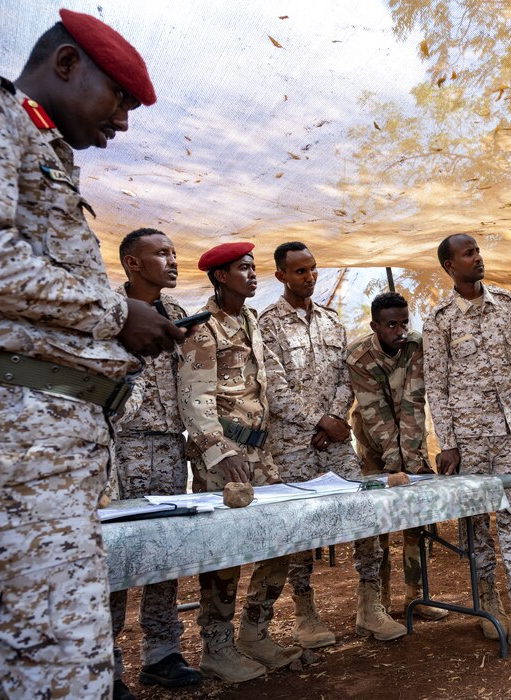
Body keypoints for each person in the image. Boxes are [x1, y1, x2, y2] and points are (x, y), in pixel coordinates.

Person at [0, 10, 184, 698]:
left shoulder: (41, 144)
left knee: (40, 661)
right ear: (68, 65)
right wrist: (114, 313)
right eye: (121, 99)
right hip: (23, 451)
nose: (124, 122)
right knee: (60, 667)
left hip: (52, 450)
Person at [259, 241, 405, 646]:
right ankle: (306, 615)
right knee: (299, 528)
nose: (309, 277)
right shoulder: (267, 324)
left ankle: (369, 607)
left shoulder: (331, 321)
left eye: (313, 269)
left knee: (364, 516)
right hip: (291, 444)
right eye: (300, 271)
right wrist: (318, 420)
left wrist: (337, 420)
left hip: (336, 442)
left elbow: (347, 377)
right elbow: (273, 386)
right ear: (281, 276)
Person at [424, 233, 511, 660]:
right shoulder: (439, 319)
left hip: (507, 433)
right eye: (468, 254)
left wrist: (489, 382)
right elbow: (436, 386)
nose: (477, 258)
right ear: (450, 266)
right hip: (466, 442)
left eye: (478, 251)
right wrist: (447, 442)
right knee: (477, 526)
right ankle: (488, 606)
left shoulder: (505, 302)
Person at [177, 242, 302, 683]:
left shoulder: (251, 321)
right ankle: (217, 647)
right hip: (224, 457)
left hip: (260, 452)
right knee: (224, 553)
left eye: (253, 267)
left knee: (283, 539)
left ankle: (255, 631)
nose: (252, 274)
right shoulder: (203, 329)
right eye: (242, 268)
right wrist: (220, 452)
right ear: (220, 277)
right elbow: (194, 400)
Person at [109, 229, 202, 698]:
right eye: (160, 253)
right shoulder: (109, 310)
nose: (171, 259)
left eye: (173, 251)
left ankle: (162, 653)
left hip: (169, 446)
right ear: (132, 264)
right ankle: (106, 665)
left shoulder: (180, 313)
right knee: (117, 554)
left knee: (165, 552)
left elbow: (191, 383)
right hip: (121, 447)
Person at [347, 291, 447, 622]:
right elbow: (374, 415)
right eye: (391, 325)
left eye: (405, 322)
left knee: (414, 521)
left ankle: (417, 597)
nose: (400, 331)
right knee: (377, 526)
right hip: (374, 449)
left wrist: (414, 463)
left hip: (412, 441)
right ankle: (380, 601)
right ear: (375, 325)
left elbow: (414, 405)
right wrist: (393, 466)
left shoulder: (416, 346)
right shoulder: (359, 357)